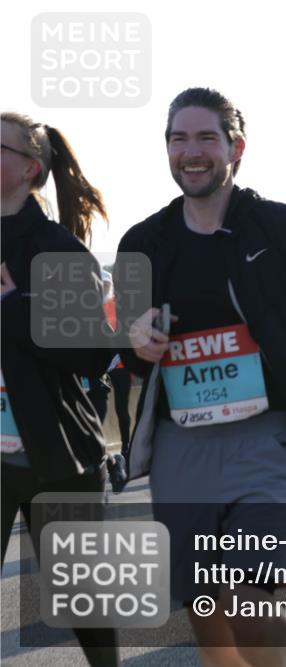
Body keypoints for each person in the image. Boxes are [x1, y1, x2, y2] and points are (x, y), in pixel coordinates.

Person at [115, 88, 286, 667]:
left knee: (253, 592)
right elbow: (128, 352)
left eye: (205, 138)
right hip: (180, 445)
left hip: (268, 438)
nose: (190, 152)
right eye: (178, 139)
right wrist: (136, 342)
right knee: (207, 604)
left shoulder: (285, 228)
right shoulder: (143, 243)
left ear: (235, 147)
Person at [1, 112, 119, 666]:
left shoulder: (59, 251)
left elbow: (94, 353)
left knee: (86, 605)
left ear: (29, 167)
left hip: (58, 455)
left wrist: (12, 308)